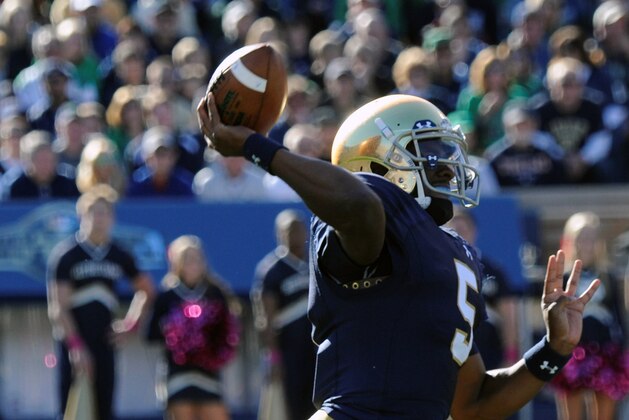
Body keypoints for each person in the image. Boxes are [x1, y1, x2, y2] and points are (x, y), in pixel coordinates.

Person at [197, 91, 601, 419]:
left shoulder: (457, 252)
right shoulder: (365, 216)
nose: (447, 163)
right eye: (430, 150)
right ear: (375, 163)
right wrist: (258, 148)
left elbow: (472, 403)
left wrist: (553, 349)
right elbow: (360, 205)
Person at [46, 183, 156, 420]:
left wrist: (130, 324)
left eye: (105, 213)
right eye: (94, 212)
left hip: (105, 342)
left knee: (104, 409)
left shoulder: (119, 254)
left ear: (113, 218)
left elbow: (146, 290)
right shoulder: (67, 255)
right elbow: (58, 308)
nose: (99, 219)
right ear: (82, 216)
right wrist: (76, 347)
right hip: (74, 344)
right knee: (71, 410)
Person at [147, 235, 240, 420]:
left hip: (208, 373)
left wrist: (210, 344)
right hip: (178, 374)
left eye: (197, 258)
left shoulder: (216, 293)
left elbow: (228, 330)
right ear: (177, 263)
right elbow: (150, 335)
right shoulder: (167, 295)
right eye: (187, 259)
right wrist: (175, 332)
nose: (193, 263)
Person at [550, 211, 629, 420]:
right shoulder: (562, 278)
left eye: (592, 238)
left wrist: (622, 350)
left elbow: (619, 316)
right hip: (572, 350)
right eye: (582, 237)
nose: (587, 243)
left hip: (605, 349)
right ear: (571, 241)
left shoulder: (609, 276)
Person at [251, 209, 317, 420]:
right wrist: (273, 358)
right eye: (289, 230)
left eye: (299, 229)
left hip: (316, 347)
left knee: (320, 400)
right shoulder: (272, 270)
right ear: (279, 234)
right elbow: (265, 319)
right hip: (290, 350)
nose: (295, 235)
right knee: (295, 405)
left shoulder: (316, 262)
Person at [445, 206, 522, 369]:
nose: (459, 235)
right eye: (454, 230)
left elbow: (509, 316)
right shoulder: (440, 269)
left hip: (487, 353)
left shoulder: (492, 270)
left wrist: (511, 355)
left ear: (474, 231)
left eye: (463, 229)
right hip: (449, 353)